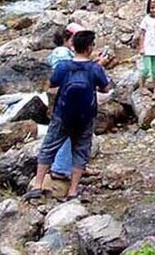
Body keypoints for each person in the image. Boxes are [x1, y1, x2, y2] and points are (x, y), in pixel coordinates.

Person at [30, 28, 112, 200]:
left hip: (62, 114)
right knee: (81, 151)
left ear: (73, 46)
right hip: (85, 117)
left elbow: (51, 86)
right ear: (90, 48)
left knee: (48, 147)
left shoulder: (63, 67)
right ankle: (73, 191)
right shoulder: (95, 69)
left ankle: (37, 185)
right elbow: (106, 88)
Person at [39, 24, 80, 191]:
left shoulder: (61, 54)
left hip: (63, 99)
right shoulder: (63, 54)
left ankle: (65, 166)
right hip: (66, 100)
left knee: (68, 134)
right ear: (66, 39)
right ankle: (60, 169)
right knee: (67, 134)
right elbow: (67, 74)